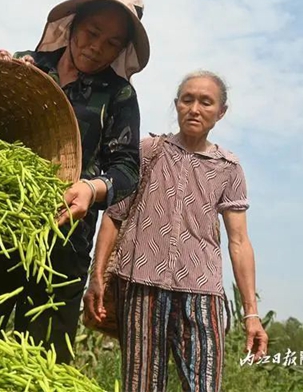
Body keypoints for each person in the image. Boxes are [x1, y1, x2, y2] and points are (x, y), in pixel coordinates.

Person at [0, 0, 151, 363]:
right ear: (73, 25)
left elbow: (127, 169)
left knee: (41, 358)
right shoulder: (27, 66)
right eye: (92, 33)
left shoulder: (119, 95)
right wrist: (0, 80)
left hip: (63, 244)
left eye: (112, 43)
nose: (97, 47)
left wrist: (92, 189)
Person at [84, 71, 269, 392]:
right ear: (177, 105)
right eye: (188, 100)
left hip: (201, 292)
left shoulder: (228, 168)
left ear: (220, 112)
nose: (195, 108)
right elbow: (113, 217)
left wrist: (251, 313)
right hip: (141, 287)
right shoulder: (147, 152)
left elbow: (239, 242)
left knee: (204, 385)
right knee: (140, 385)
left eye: (205, 102)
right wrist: (96, 275)